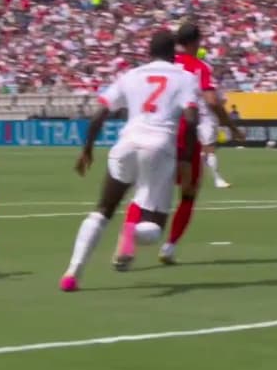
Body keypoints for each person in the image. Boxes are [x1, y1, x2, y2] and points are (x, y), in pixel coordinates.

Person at [61, 30, 201, 291]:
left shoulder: (131, 76)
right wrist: (185, 159)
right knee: (155, 226)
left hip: (126, 144)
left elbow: (99, 113)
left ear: (149, 52)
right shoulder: (186, 78)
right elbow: (192, 120)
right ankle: (131, 232)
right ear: (174, 53)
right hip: (159, 148)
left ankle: (72, 273)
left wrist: (87, 149)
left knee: (102, 210)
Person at [168, 24, 240, 261]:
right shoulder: (200, 68)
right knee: (188, 192)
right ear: (196, 41)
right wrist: (231, 127)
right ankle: (169, 246)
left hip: (161, 130)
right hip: (192, 125)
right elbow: (211, 100)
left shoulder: (164, 63)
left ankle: (127, 241)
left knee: (148, 192)